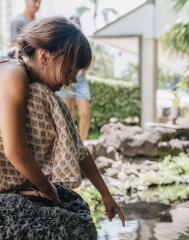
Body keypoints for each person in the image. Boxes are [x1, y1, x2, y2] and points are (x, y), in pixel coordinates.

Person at [0, 16, 124, 239]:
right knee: (44, 98)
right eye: (68, 72)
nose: (70, 81)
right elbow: (14, 150)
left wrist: (106, 195)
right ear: (45, 56)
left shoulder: (31, 82)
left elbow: (79, 149)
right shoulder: (14, 76)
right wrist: (49, 190)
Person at [56, 15, 91, 140]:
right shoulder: (64, 43)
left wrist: (85, 68)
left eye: (77, 24)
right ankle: (69, 142)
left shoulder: (84, 41)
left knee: (85, 113)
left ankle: (83, 143)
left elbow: (92, 56)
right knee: (68, 114)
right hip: (66, 79)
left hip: (81, 80)